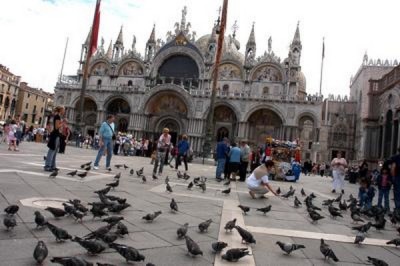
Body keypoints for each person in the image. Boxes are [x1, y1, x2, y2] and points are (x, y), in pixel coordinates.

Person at [44, 106, 65, 171]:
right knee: (52, 151)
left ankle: (53, 166)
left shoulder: (58, 116)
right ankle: (48, 166)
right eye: (63, 110)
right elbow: (56, 127)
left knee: (54, 151)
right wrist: (62, 123)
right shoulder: (57, 116)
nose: (64, 111)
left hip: (57, 135)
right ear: (60, 110)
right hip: (55, 135)